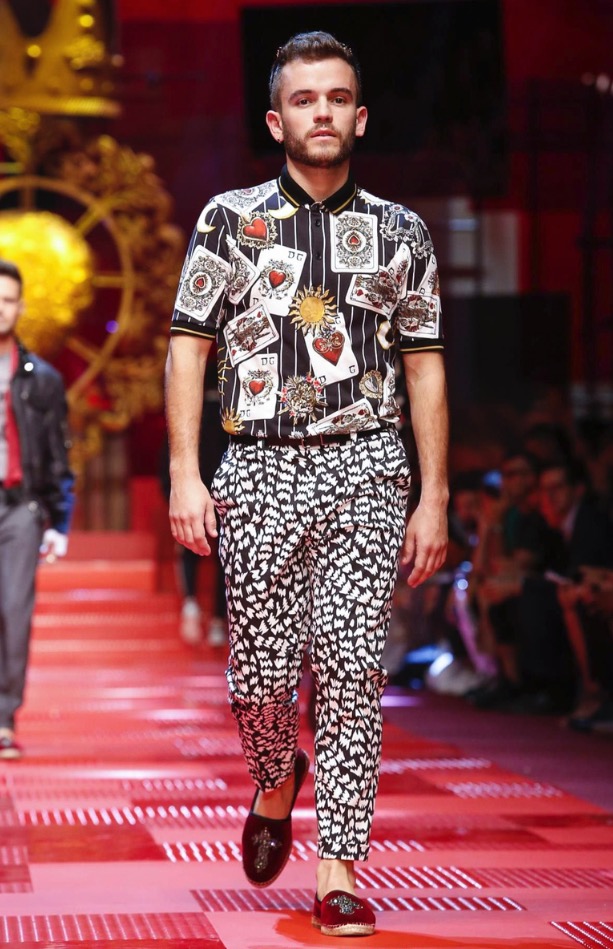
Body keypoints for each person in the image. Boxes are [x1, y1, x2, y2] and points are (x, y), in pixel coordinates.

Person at [165, 32, 448, 938]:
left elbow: (424, 364)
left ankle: (339, 868)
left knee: (354, 666)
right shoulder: (228, 219)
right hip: (257, 464)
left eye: (335, 98)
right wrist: (184, 471)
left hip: (367, 464)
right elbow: (187, 348)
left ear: (358, 117)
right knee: (259, 674)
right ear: (274, 118)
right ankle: (274, 775)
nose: (320, 112)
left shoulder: (401, 231)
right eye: (303, 98)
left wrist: (434, 494)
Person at [0, 259, 74, 759]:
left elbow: (57, 454)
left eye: (8, 300)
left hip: (19, 507)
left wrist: (59, 521)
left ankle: (3, 718)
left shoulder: (42, 379)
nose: (0, 309)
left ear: (21, 307)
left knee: (13, 610)